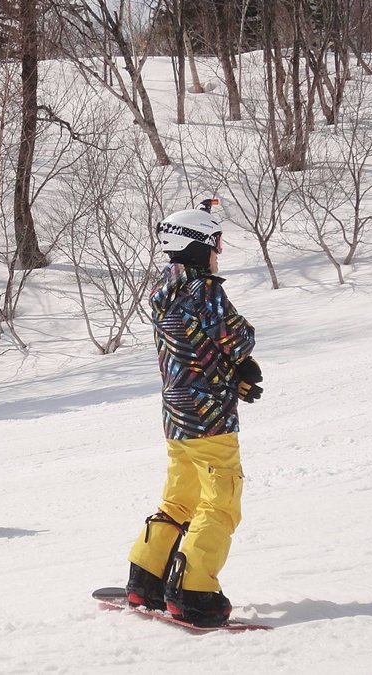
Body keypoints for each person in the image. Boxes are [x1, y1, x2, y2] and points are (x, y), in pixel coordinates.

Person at [124, 200, 263, 627]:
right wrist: (241, 363)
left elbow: (195, 347)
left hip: (176, 413)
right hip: (210, 417)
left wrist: (233, 372)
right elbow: (238, 338)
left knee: (180, 498)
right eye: (215, 242)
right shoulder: (204, 290)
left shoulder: (163, 291)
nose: (219, 251)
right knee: (221, 500)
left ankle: (146, 577)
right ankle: (193, 589)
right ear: (198, 245)